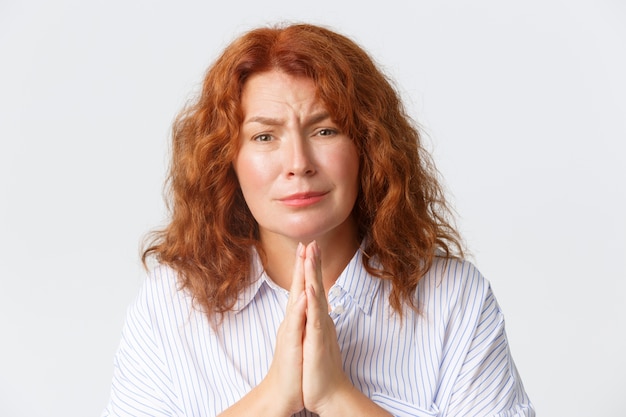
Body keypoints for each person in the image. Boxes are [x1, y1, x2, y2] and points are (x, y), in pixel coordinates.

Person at [103, 23, 535, 417]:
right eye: (264, 136)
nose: (298, 163)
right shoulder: (170, 306)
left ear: (367, 147)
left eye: (324, 130)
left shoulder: (453, 299)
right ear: (226, 161)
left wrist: (336, 397)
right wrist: (274, 396)